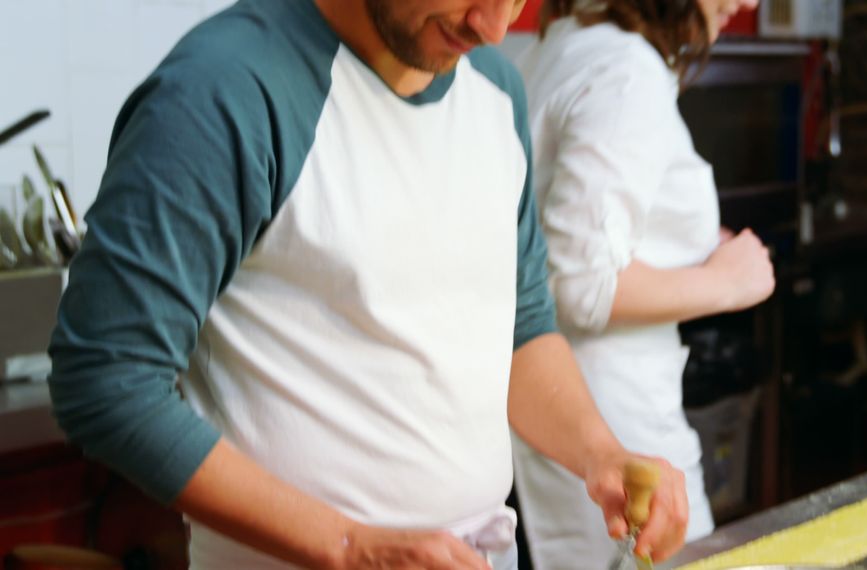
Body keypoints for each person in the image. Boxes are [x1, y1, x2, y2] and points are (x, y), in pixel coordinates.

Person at [46, 0, 691, 568]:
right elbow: (106, 380)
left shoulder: (495, 90)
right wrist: (352, 547)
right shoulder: (223, 91)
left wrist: (599, 453)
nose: (494, 27)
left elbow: (521, 329)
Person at [510, 0, 773, 568]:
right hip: (615, 418)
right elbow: (579, 282)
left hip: (568, 413)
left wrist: (696, 247)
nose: (750, 3)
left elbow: (586, 232)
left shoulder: (563, 45)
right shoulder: (627, 71)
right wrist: (729, 283)